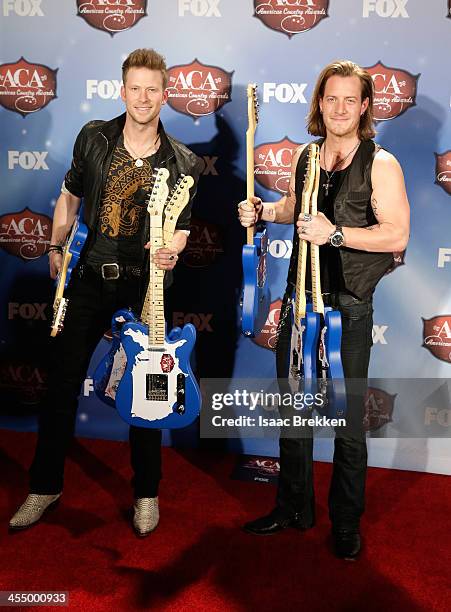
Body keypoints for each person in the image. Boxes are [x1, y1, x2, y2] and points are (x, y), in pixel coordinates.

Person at [9, 48, 202, 537]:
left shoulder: (184, 163)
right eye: (134, 88)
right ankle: (45, 487)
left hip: (146, 287)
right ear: (123, 91)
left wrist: (173, 249)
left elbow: (181, 229)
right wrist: (57, 246)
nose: (143, 97)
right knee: (61, 385)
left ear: (165, 94)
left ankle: (146, 494)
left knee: (149, 393)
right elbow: (70, 195)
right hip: (90, 277)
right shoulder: (94, 137)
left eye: (152, 89)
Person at [238, 60, 410, 559]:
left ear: (364, 107)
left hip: (347, 310)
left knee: (347, 422)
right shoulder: (307, 156)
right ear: (320, 104)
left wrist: (335, 234)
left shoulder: (380, 163)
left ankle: (345, 522)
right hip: (298, 305)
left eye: (348, 100)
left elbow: (396, 234)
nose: (339, 109)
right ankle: (294, 507)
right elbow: (296, 205)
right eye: (330, 99)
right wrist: (266, 212)